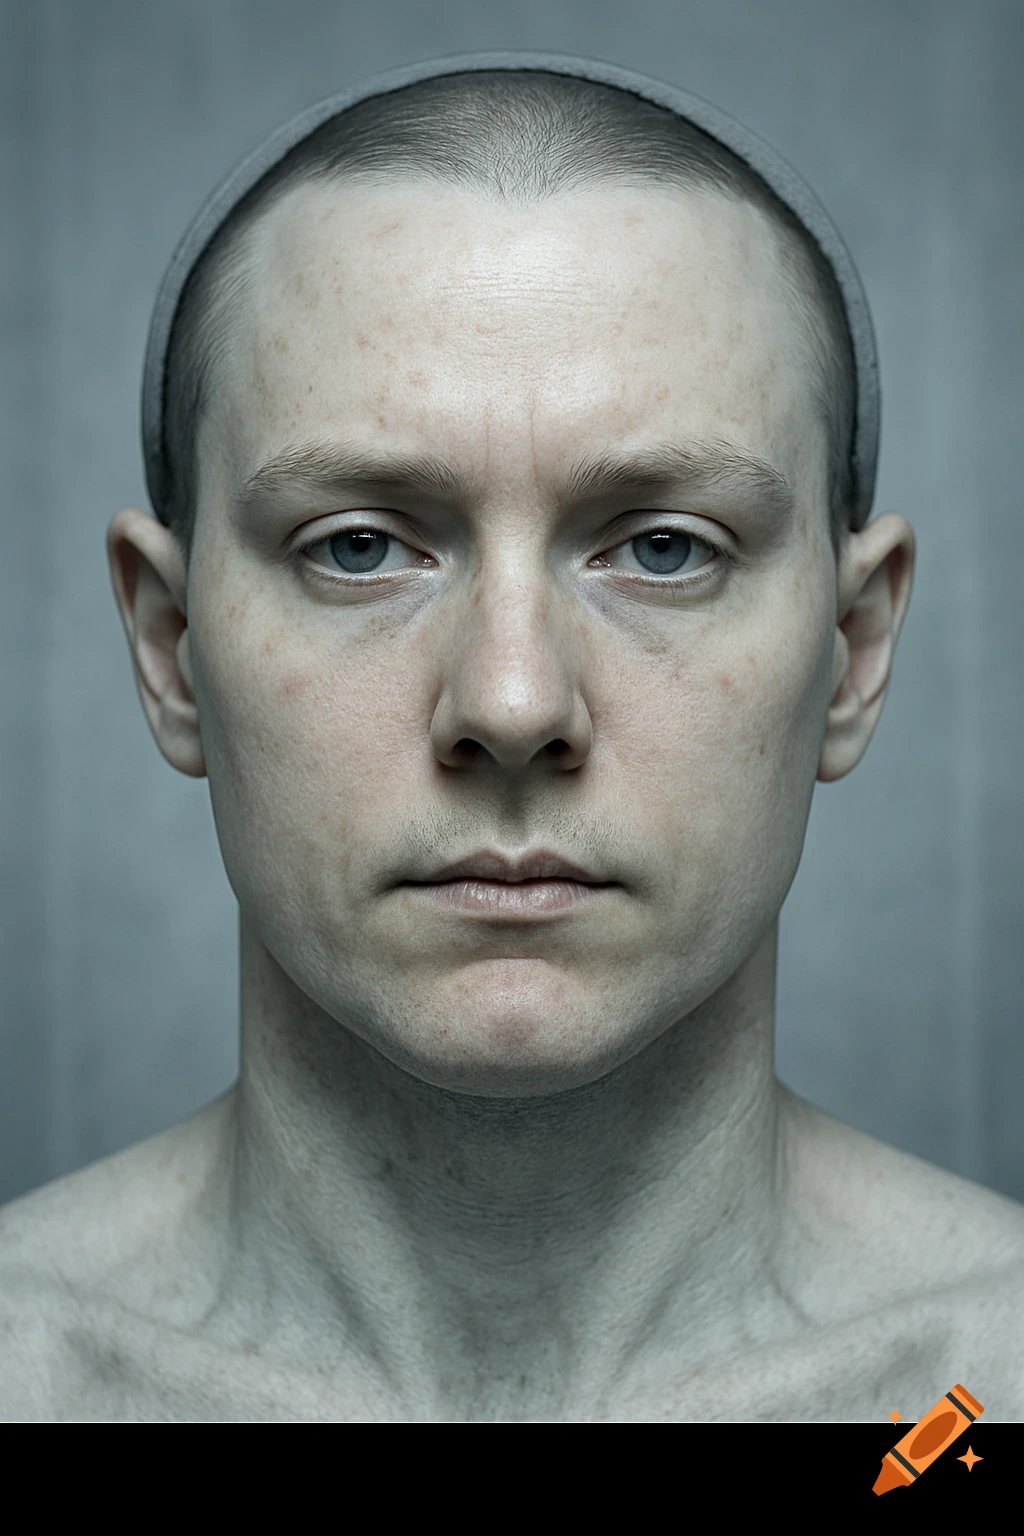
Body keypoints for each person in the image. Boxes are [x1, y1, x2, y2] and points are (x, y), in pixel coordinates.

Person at [2, 55, 1022, 1424]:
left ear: (853, 653)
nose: (513, 702)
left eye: (665, 547)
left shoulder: (984, 1395)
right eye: (358, 546)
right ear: (170, 649)